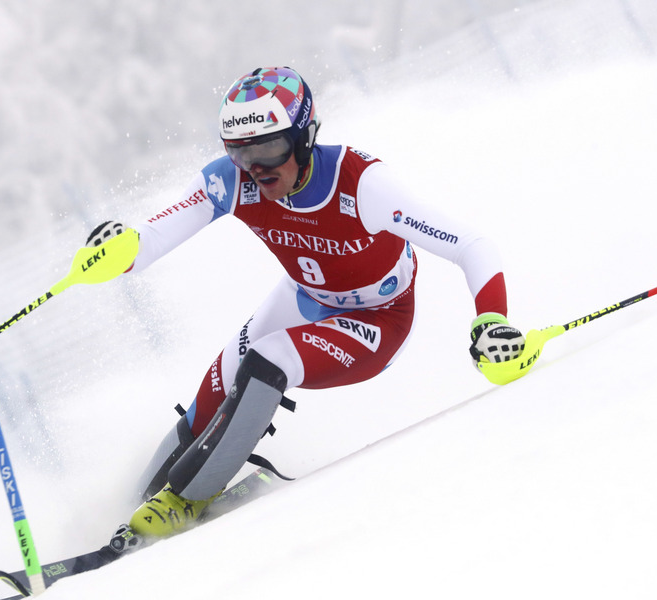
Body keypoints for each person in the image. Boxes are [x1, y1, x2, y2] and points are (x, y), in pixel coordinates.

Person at [88, 66, 524, 548]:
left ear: (304, 137)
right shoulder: (232, 181)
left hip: (376, 320)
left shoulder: (361, 183)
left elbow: (471, 244)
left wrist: (492, 319)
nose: (256, 169)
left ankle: (184, 501)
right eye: (240, 152)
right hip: (304, 297)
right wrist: (120, 251)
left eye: (269, 150)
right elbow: (148, 241)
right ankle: (135, 508)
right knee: (214, 389)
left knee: (269, 359)